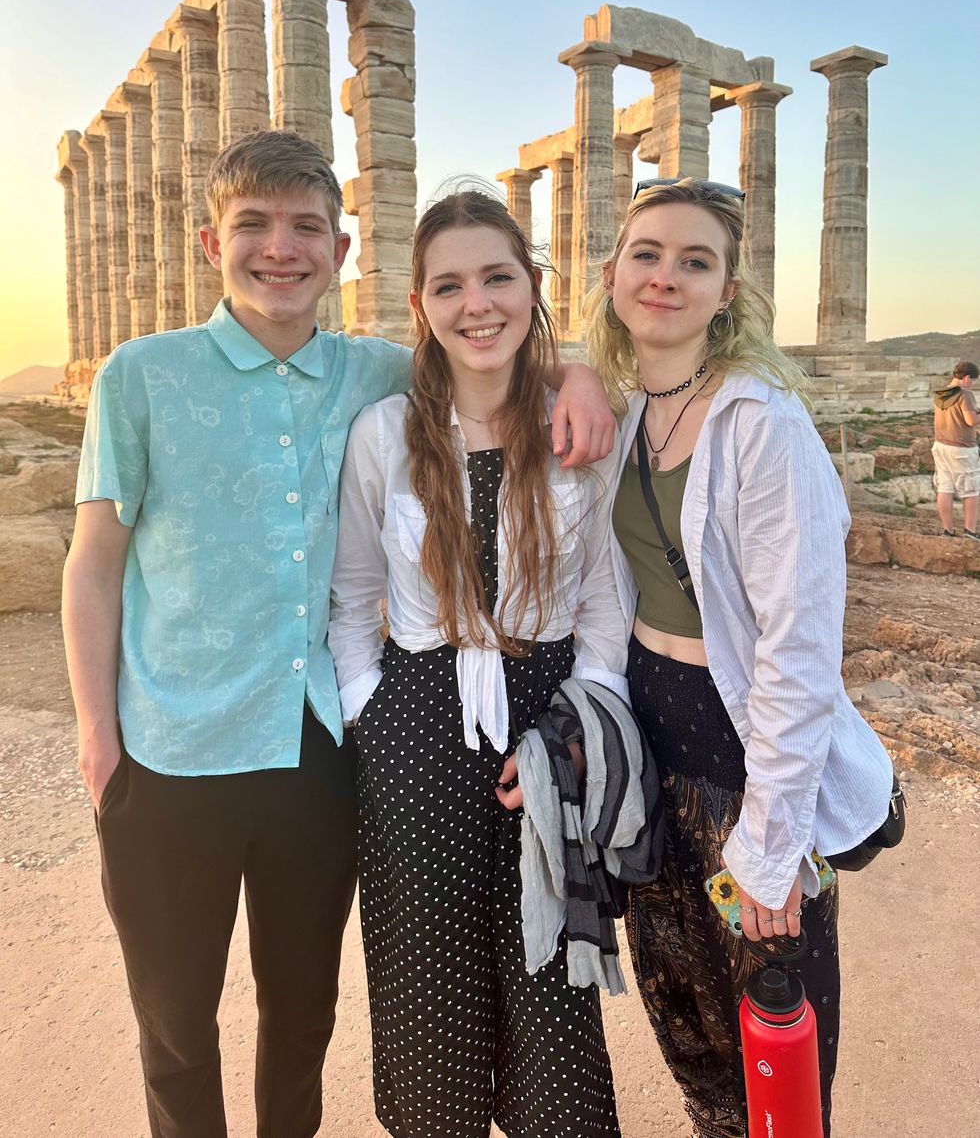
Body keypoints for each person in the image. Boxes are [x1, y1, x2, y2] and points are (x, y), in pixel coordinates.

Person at [61, 131, 613, 1138]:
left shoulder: (377, 373)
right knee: (176, 1024)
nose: (281, 248)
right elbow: (93, 561)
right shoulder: (139, 374)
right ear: (207, 242)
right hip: (168, 749)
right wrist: (96, 728)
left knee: (301, 1013)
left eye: (305, 226)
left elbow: (487, 336)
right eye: (254, 226)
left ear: (342, 246)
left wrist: (578, 371)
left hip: (314, 749)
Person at [585, 176, 895, 1138]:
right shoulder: (629, 412)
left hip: (743, 748)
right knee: (689, 1020)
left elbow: (800, 655)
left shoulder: (763, 423)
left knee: (775, 1036)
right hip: (654, 738)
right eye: (647, 254)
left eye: (695, 261)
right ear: (612, 274)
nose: (666, 276)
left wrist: (769, 851)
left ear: (728, 293)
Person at [329, 188, 628, 1138]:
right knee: (428, 984)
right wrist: (373, 715)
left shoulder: (575, 429)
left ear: (532, 287)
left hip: (548, 712)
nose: (477, 303)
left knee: (550, 983)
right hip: (418, 717)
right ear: (420, 305)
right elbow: (351, 596)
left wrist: (577, 728)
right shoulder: (383, 434)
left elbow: (605, 606)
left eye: (498, 276)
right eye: (449, 284)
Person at [932, 359, 979, 539]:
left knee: (945, 487)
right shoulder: (965, 394)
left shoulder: (941, 393)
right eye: (973, 380)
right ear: (967, 378)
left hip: (941, 445)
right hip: (962, 448)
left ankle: (948, 530)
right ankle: (970, 531)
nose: (973, 384)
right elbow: (970, 421)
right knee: (971, 490)